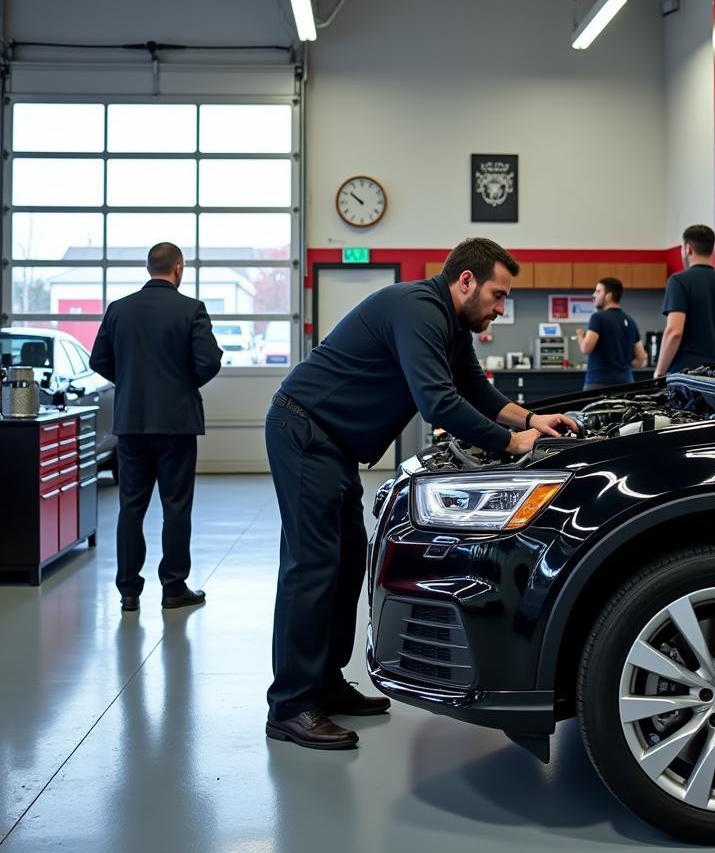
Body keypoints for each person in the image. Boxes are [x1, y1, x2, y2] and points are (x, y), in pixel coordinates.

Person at [264, 238, 579, 751]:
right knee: (311, 568)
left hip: (333, 444)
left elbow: (475, 388)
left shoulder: (453, 326)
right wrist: (508, 442)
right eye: (498, 295)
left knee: (344, 567)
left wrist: (531, 420)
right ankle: (290, 705)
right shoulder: (418, 310)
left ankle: (323, 684)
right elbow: (438, 403)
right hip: (304, 431)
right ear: (466, 281)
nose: (501, 308)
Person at [90, 242, 222, 613]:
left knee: (131, 507)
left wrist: (130, 381)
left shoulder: (119, 309)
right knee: (175, 507)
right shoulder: (191, 309)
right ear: (178, 268)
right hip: (177, 424)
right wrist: (182, 384)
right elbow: (209, 362)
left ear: (150, 268)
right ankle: (173, 588)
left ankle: (128, 592)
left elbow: (98, 359)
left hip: (131, 423)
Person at [655, 224, 715, 375]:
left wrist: (659, 372)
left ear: (688, 249)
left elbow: (674, 332)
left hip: (686, 376)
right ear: (712, 249)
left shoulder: (678, 281)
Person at [575, 277, 646, 389]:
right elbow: (641, 359)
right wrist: (622, 367)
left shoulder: (597, 318)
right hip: (626, 382)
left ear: (609, 296)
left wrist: (580, 335)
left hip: (599, 383)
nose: (594, 295)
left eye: (598, 291)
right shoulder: (631, 321)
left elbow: (586, 348)